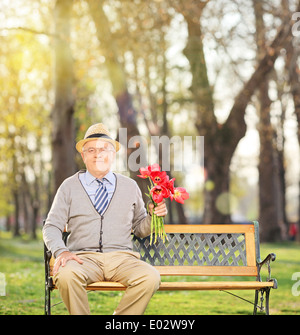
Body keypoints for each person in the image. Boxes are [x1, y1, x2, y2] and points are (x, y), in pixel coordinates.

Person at [43, 123, 167, 315]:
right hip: (83, 259)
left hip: (122, 259)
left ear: (113, 154)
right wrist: (61, 251)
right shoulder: (68, 187)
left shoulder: (130, 186)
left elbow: (141, 228)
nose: (97, 154)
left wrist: (153, 216)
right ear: (83, 156)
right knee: (66, 275)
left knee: (150, 277)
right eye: (91, 149)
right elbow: (51, 226)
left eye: (104, 149)